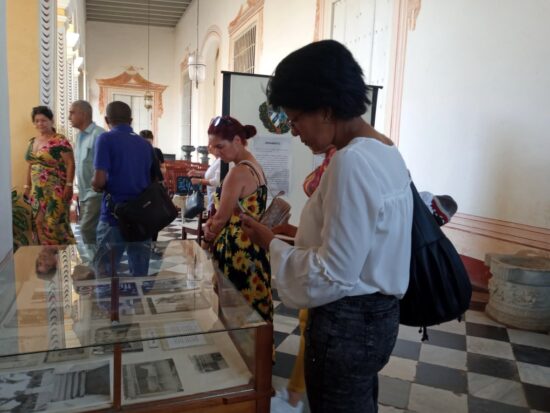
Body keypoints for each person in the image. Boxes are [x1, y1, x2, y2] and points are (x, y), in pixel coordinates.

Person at [241, 40, 413, 413]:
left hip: (347, 324)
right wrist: (290, 235)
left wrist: (271, 243)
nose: (294, 131)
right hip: (378, 320)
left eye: (295, 118)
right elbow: (364, 243)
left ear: (325, 108)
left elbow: (334, 273)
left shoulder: (351, 162)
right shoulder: (386, 151)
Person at [202, 115, 272, 323]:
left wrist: (206, 240)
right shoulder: (255, 166)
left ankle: (233, 354)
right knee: (251, 308)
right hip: (254, 246)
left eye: (220, 146)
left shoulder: (238, 172)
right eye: (212, 147)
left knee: (234, 310)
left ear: (238, 141)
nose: (216, 152)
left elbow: (222, 217)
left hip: (236, 249)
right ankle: (255, 354)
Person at [92, 101, 155, 277]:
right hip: (141, 216)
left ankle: (109, 305)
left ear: (106, 120)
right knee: (139, 274)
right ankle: (137, 303)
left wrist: (94, 184)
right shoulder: (145, 144)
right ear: (131, 120)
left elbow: (99, 180)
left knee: (105, 272)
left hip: (114, 216)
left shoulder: (105, 138)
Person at [24, 106, 75, 245]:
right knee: (38, 223)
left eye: (44, 120)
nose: (40, 124)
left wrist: (69, 186)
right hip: (37, 192)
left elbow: (70, 163)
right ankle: (45, 260)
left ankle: (62, 258)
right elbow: (30, 165)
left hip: (55, 190)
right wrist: (27, 187)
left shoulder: (60, 140)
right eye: (37, 121)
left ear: (51, 121)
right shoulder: (32, 141)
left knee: (54, 225)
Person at [69, 100, 105, 246]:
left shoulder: (99, 135)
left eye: (72, 113)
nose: (69, 117)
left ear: (83, 114)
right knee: (91, 232)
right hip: (84, 194)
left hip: (95, 193)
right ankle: (99, 265)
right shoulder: (79, 137)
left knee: (86, 229)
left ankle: (98, 265)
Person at [139, 129, 165, 254]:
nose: (147, 146)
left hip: (154, 188)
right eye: (144, 143)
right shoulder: (135, 153)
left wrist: (158, 168)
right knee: (142, 219)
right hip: (140, 190)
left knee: (155, 219)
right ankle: (143, 244)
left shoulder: (156, 152)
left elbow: (163, 171)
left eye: (149, 143)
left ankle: (153, 245)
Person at [188, 144, 221, 215]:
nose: (208, 146)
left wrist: (199, 181)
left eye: (211, 144)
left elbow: (216, 181)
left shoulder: (221, 161)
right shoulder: (217, 160)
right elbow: (210, 174)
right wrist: (197, 173)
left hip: (216, 198)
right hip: (211, 196)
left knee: (213, 218)